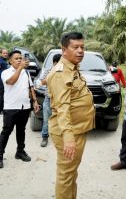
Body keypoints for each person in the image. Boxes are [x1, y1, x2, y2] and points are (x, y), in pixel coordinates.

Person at [47, 32, 95, 199]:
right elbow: (62, 108)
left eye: (82, 47)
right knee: (66, 176)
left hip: (77, 129)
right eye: (75, 47)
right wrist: (68, 139)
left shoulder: (72, 68)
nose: (80, 50)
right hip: (69, 132)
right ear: (64, 50)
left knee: (71, 173)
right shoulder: (60, 74)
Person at [0, 50, 40, 169]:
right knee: (6, 131)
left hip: (24, 107)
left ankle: (20, 152)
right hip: (11, 107)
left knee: (21, 130)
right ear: (10, 61)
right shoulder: (5, 72)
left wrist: (35, 101)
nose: (20, 60)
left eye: (21, 58)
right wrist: (20, 68)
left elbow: (31, 87)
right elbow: (11, 82)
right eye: (16, 58)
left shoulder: (26, 72)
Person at [38, 53, 62, 147]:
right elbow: (42, 82)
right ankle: (44, 137)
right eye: (59, 62)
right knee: (46, 120)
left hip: (61, 99)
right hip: (49, 99)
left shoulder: (65, 71)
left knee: (62, 119)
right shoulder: (48, 70)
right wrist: (53, 75)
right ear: (54, 62)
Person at [0, 49, 9, 117]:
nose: (5, 54)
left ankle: (2, 110)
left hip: (3, 80)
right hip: (0, 80)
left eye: (6, 53)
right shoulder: (0, 60)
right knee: (1, 95)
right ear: (1, 54)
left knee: (4, 95)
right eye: (4, 53)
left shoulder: (4, 60)